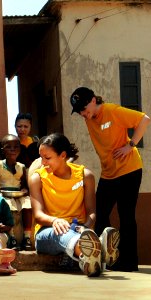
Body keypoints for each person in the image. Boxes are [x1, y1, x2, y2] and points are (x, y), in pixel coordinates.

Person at [70, 87, 149, 272]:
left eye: (84, 108)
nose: (83, 113)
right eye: (79, 111)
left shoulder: (112, 111)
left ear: (93, 100)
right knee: (100, 213)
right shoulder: (90, 118)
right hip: (109, 173)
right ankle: (105, 255)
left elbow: (144, 119)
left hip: (129, 170)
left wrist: (130, 145)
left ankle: (129, 262)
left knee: (126, 214)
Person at [29, 133, 120, 277]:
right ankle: (98, 250)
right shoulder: (37, 178)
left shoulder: (85, 175)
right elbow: (38, 215)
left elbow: (91, 212)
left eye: (47, 158)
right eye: (41, 157)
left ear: (63, 155)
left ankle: (90, 257)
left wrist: (86, 225)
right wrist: (55, 220)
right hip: (47, 232)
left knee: (75, 233)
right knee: (60, 233)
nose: (43, 162)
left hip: (79, 229)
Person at [0, 134, 32, 250]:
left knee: (28, 204)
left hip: (18, 195)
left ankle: (27, 236)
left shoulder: (21, 167)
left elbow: (24, 185)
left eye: (16, 147)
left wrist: (25, 190)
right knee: (8, 206)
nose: (13, 150)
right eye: (9, 147)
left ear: (20, 149)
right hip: (3, 194)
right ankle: (12, 236)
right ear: (2, 150)